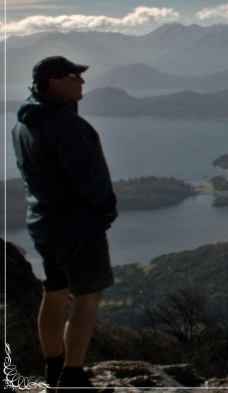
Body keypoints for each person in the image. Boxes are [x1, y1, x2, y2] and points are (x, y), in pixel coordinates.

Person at [12, 56, 118, 390]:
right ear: (54, 82)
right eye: (75, 76)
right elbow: (88, 176)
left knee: (54, 292)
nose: (82, 82)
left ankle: (53, 366)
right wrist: (105, 210)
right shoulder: (66, 124)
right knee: (87, 298)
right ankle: (73, 376)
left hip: (44, 226)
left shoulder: (22, 125)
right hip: (78, 227)